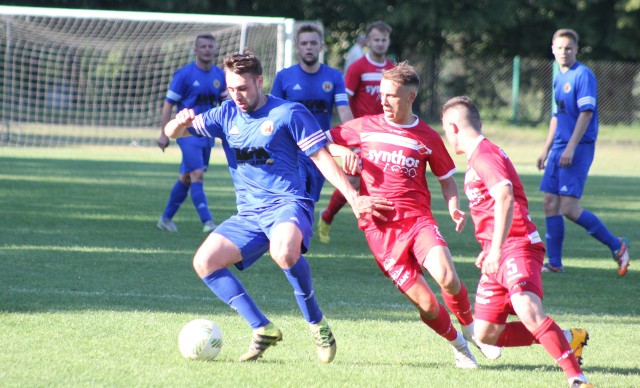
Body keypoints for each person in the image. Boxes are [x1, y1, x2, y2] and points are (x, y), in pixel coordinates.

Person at [164, 51, 393, 363]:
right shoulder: (225, 114)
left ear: (260, 81)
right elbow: (172, 133)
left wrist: (353, 198)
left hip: (289, 204)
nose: (236, 95)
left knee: (283, 251)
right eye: (231, 89)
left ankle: (318, 325)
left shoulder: (289, 112)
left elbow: (322, 158)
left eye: (243, 88)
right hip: (249, 214)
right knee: (205, 262)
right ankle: (263, 329)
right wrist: (177, 125)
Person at [327, 62, 501, 368]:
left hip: (418, 221)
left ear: (410, 97)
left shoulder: (426, 136)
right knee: (426, 303)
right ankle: (459, 346)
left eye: (391, 95)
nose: (383, 100)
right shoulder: (364, 126)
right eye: (381, 94)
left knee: (447, 276)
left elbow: (446, 179)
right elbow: (319, 143)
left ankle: (471, 327)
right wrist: (342, 152)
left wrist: (453, 206)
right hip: (379, 232)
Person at [441, 96, 593, 388]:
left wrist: (496, 250)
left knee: (525, 305)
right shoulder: (478, 156)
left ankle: (577, 378)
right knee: (485, 333)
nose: (447, 139)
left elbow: (505, 196)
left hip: (516, 245)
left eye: (446, 132)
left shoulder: (485, 155)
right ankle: (567, 337)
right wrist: (489, 249)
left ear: (453, 127)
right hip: (496, 252)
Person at [536, 28, 630, 275]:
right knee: (549, 203)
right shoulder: (558, 76)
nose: (564, 52)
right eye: (559, 48)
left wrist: (570, 147)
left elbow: (586, 113)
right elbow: (557, 116)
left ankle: (617, 245)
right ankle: (554, 263)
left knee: (568, 208)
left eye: (569, 48)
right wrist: (546, 149)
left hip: (577, 147)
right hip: (558, 148)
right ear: (552, 49)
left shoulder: (583, 75)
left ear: (576, 49)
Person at [317, 20, 395, 244]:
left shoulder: (392, 69)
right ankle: (328, 216)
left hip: (384, 134)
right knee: (352, 180)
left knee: (380, 180)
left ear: (388, 42)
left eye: (384, 40)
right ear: (368, 42)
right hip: (360, 133)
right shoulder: (358, 67)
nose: (380, 44)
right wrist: (349, 133)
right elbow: (345, 101)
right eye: (376, 40)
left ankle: (376, 225)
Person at [271, 23, 354, 202]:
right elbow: (272, 113)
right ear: (298, 47)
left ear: (321, 47)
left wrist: (353, 140)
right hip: (292, 149)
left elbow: (344, 110)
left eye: (313, 43)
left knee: (310, 202)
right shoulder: (284, 77)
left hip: (321, 149)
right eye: (304, 43)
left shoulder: (334, 76)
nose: (309, 47)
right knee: (295, 198)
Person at [156, 33, 227, 233]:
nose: (206, 49)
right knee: (197, 175)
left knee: (186, 178)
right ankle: (208, 222)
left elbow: (225, 104)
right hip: (186, 134)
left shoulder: (219, 75)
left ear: (215, 49)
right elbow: (168, 104)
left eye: (210, 46)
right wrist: (163, 134)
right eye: (202, 46)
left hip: (207, 134)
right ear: (195, 50)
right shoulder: (184, 74)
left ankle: (165, 219)